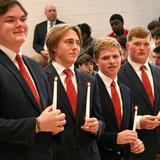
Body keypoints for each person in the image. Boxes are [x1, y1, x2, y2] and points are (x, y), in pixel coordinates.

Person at [0, 0, 66, 159]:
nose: (19, 24)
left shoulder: (35, 66)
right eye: (10, 20)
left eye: (23, 19)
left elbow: (46, 111)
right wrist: (36, 125)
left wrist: (54, 126)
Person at [44, 23, 105, 160]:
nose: (75, 47)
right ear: (53, 46)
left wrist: (97, 127)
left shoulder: (89, 79)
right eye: (69, 42)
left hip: (89, 154)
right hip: (58, 154)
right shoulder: (41, 78)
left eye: (78, 42)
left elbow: (100, 119)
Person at [94, 37, 144, 160]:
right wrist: (115, 138)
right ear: (96, 61)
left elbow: (129, 126)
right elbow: (83, 131)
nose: (112, 61)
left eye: (115, 56)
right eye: (106, 58)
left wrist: (136, 142)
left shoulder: (126, 90)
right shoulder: (89, 87)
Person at [118, 26, 160, 160]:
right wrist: (137, 122)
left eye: (146, 44)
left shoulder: (158, 71)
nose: (142, 47)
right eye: (137, 44)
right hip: (136, 145)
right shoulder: (117, 75)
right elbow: (114, 113)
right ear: (127, 45)